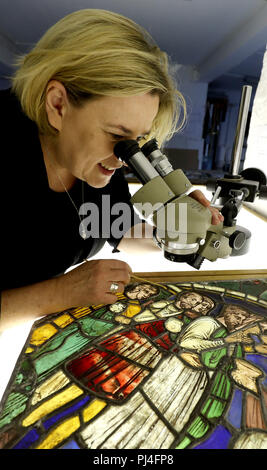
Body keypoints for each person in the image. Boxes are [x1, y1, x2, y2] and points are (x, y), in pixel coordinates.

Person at [0, 9, 223, 331]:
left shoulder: (96, 156)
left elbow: (114, 225)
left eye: (138, 140)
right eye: (117, 137)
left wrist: (174, 232)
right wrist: (58, 293)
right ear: (58, 104)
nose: (123, 158)